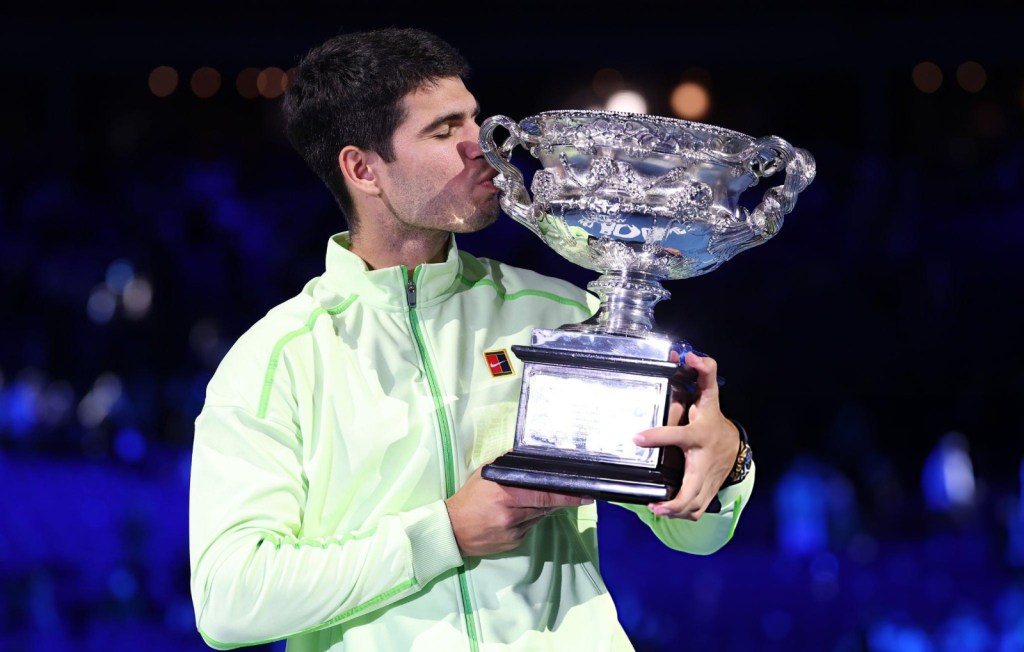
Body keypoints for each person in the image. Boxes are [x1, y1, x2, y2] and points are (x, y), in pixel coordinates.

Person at [188, 26, 755, 651]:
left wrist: (724, 459)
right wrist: (444, 533)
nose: (482, 145)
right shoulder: (278, 358)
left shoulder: (563, 311)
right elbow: (229, 600)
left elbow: (696, 535)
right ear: (362, 168)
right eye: (443, 130)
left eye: (475, 119)